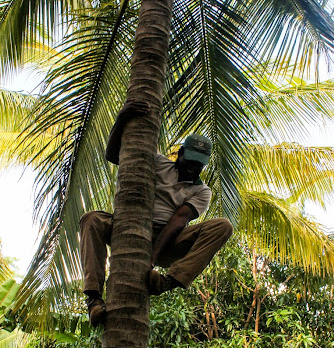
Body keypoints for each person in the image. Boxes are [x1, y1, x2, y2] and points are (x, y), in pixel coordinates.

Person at [79, 100, 233, 326]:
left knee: (223, 226)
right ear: (179, 154)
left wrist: (153, 256)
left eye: (199, 164)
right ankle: (93, 300)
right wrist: (121, 119)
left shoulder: (201, 191)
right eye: (190, 161)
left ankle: (168, 282)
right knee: (91, 219)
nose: (193, 167)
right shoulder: (158, 163)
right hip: (129, 228)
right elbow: (114, 155)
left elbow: (179, 220)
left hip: (169, 242)